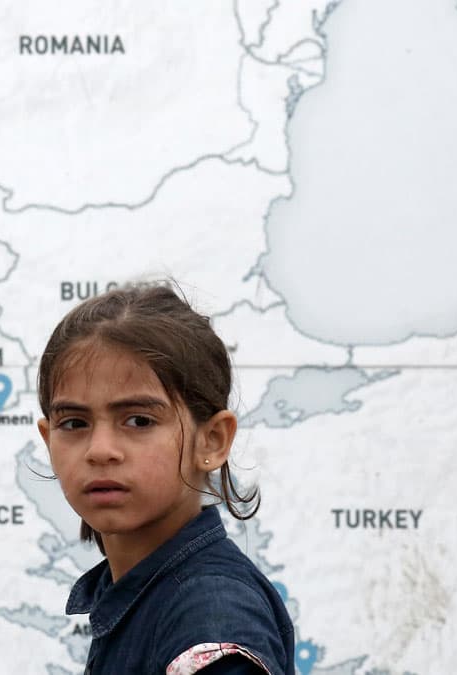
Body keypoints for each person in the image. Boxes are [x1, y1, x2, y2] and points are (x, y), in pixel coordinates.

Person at [36, 285, 295, 674]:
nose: (100, 449)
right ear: (47, 439)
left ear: (212, 440)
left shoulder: (210, 613)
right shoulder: (140, 590)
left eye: (139, 420)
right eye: (74, 423)